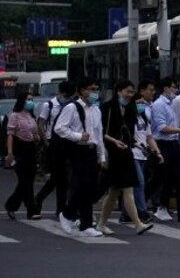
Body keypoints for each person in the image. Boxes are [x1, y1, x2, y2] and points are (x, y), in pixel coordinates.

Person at [96, 80, 155, 236]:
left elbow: (129, 133)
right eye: (127, 91)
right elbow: (101, 132)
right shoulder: (107, 108)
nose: (130, 95)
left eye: (131, 92)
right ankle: (138, 224)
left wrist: (136, 144)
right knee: (125, 189)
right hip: (113, 153)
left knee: (115, 191)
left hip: (126, 152)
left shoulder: (131, 108)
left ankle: (101, 224)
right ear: (119, 91)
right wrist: (114, 142)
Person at [56, 79, 107, 237]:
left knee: (90, 188)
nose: (94, 92)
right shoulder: (72, 107)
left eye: (96, 89)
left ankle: (84, 223)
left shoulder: (96, 110)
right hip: (78, 150)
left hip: (91, 150)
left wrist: (101, 156)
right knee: (82, 185)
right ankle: (70, 215)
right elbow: (60, 128)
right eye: (91, 89)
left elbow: (98, 134)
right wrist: (78, 136)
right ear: (81, 91)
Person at [149, 77, 180, 222]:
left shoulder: (171, 104)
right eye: (173, 87)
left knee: (179, 177)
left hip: (174, 144)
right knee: (159, 178)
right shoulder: (159, 105)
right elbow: (162, 127)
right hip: (162, 144)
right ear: (165, 88)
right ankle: (144, 205)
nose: (175, 90)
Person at [34, 80, 76, 217]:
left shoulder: (71, 105)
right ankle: (43, 200)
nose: (67, 98)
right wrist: (46, 143)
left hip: (66, 142)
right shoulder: (49, 105)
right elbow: (41, 124)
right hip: (53, 143)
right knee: (59, 177)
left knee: (62, 178)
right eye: (66, 95)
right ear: (60, 92)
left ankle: (58, 207)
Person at [125, 80, 161, 224]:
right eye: (138, 102)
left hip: (143, 155)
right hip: (132, 153)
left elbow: (149, 137)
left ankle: (126, 213)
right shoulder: (129, 117)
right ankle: (142, 212)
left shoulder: (144, 118)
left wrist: (157, 152)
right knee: (139, 183)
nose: (141, 105)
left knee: (131, 186)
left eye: (142, 103)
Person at [5, 92, 42, 220]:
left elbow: (35, 132)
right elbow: (10, 134)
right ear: (22, 101)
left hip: (30, 148)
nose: (30, 102)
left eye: (32, 99)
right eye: (28, 99)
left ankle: (11, 205)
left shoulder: (31, 116)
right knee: (25, 181)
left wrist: (37, 136)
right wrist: (10, 153)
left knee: (27, 181)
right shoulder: (14, 116)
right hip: (20, 148)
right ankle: (31, 210)